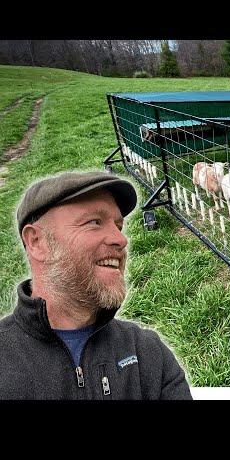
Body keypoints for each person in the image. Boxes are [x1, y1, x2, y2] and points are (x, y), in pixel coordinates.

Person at [0, 171, 192, 400]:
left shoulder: (147, 354)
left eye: (118, 226)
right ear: (37, 242)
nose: (121, 240)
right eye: (94, 222)